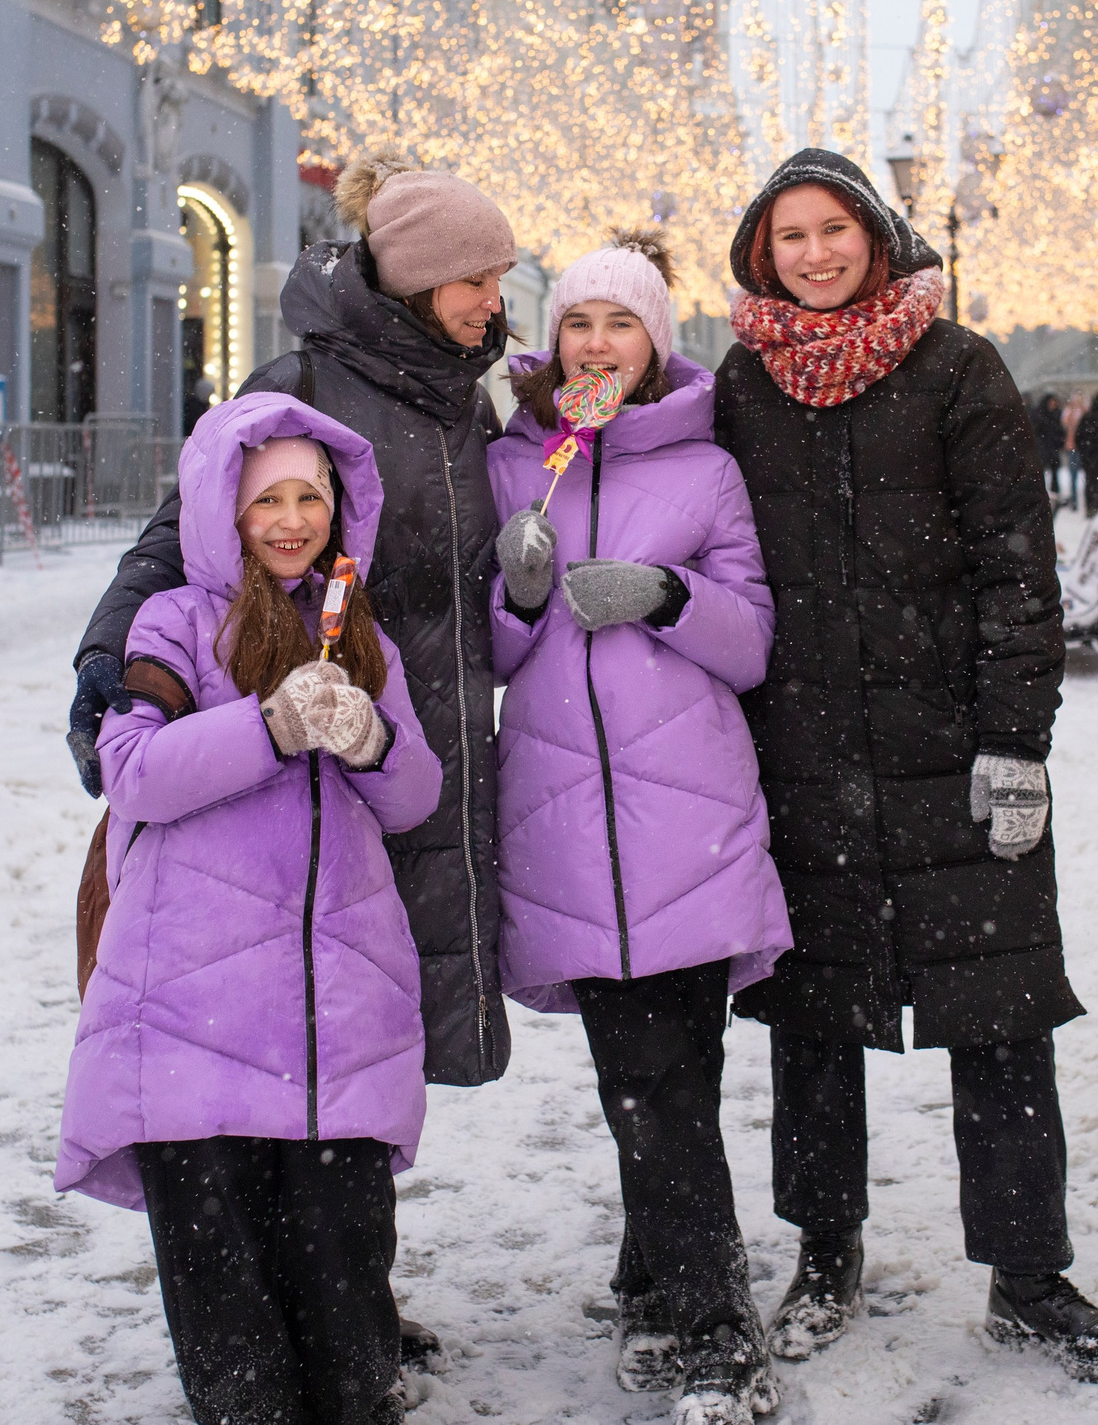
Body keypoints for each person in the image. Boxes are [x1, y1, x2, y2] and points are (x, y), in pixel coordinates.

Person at [713, 148, 1098, 1390]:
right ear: (761, 253)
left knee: (1002, 1014)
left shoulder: (956, 368)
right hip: (799, 758)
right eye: (786, 235)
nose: (811, 253)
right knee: (809, 1020)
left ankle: (1028, 1273)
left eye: (831, 229)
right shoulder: (743, 386)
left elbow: (1019, 569)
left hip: (955, 752)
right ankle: (825, 1251)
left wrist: (1015, 740)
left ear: (874, 232)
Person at [66, 154, 517, 1369]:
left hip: (400, 744)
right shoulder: (302, 385)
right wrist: (109, 663)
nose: (494, 298)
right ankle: (310, 1315)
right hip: (290, 753)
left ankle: (345, 1305)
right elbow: (182, 534)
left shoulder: (471, 395)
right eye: (475, 277)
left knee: (370, 1029)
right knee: (289, 1020)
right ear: (419, 284)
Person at [60, 395, 444, 1425]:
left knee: (343, 1284)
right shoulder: (174, 623)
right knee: (223, 1280)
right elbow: (133, 773)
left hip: (333, 1007)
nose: (290, 518)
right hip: (196, 1000)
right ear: (223, 511)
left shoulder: (357, 632)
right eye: (265, 497)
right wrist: (268, 728)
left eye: (309, 496)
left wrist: (369, 740)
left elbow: (413, 798)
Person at [487, 231, 791, 1424]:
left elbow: (752, 641)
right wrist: (513, 592)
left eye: (619, 325)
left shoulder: (706, 470)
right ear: (553, 343)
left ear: (653, 345)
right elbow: (500, 653)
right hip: (567, 821)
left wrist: (666, 598)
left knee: (673, 1081)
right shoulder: (519, 465)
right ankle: (668, 1283)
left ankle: (713, 1324)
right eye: (578, 325)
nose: (596, 344)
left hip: (688, 817)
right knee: (646, 1080)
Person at [1032, 392, 1066, 500]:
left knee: (1054, 471)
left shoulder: (1057, 414)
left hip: (1053, 447)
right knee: (1042, 471)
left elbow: (1060, 430)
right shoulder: (1040, 414)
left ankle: (1055, 493)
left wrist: (1059, 442)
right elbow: (1037, 431)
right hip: (1043, 448)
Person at [1060, 392, 1087, 507]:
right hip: (1072, 446)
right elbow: (1065, 424)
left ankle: (1082, 499)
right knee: (1073, 474)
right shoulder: (1069, 411)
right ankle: (1074, 499)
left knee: (1079, 474)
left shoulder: (1084, 411)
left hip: (1081, 446)